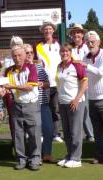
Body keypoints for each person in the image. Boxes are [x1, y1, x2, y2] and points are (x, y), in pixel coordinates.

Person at [4, 45, 41, 171]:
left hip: (31, 104)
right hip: (16, 104)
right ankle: (21, 159)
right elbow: (5, 87)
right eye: (14, 56)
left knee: (34, 133)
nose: (17, 58)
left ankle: (35, 159)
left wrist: (12, 86)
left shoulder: (32, 67)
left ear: (25, 56)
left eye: (20, 55)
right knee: (18, 134)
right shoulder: (8, 71)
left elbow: (30, 86)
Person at [56, 43, 88, 168]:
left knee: (75, 131)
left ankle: (76, 158)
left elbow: (84, 84)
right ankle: (69, 155)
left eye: (67, 51)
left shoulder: (77, 65)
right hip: (63, 102)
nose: (65, 53)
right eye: (62, 51)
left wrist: (76, 99)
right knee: (67, 131)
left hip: (76, 102)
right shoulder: (59, 66)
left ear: (70, 52)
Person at [24, 43, 56, 163]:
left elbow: (47, 83)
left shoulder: (39, 67)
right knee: (32, 131)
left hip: (42, 103)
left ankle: (47, 154)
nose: (30, 55)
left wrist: (43, 84)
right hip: (29, 104)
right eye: (27, 53)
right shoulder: (21, 68)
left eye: (31, 52)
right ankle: (33, 156)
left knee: (48, 128)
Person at [34, 21, 63, 143]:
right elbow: (35, 65)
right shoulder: (38, 46)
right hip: (44, 83)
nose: (47, 31)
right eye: (45, 29)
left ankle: (56, 134)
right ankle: (43, 133)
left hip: (58, 83)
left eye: (50, 29)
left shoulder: (59, 45)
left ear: (53, 30)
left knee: (56, 110)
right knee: (43, 109)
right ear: (42, 31)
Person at [67, 23, 94, 142]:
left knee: (87, 110)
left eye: (78, 32)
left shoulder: (88, 47)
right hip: (74, 83)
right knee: (77, 109)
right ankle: (81, 134)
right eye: (74, 32)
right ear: (71, 35)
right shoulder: (69, 48)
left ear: (82, 34)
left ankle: (91, 134)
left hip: (88, 82)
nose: (76, 34)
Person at [82, 31, 103, 164]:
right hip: (92, 98)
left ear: (98, 42)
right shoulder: (86, 56)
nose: (90, 44)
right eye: (88, 42)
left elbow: (100, 72)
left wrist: (86, 66)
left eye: (92, 41)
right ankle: (100, 155)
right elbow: (85, 75)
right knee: (97, 131)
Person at [2, 35, 24, 141]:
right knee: (13, 118)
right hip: (10, 93)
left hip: (23, 92)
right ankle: (15, 140)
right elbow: (3, 76)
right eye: (14, 44)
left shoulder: (25, 58)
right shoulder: (6, 60)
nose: (16, 46)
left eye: (18, 44)